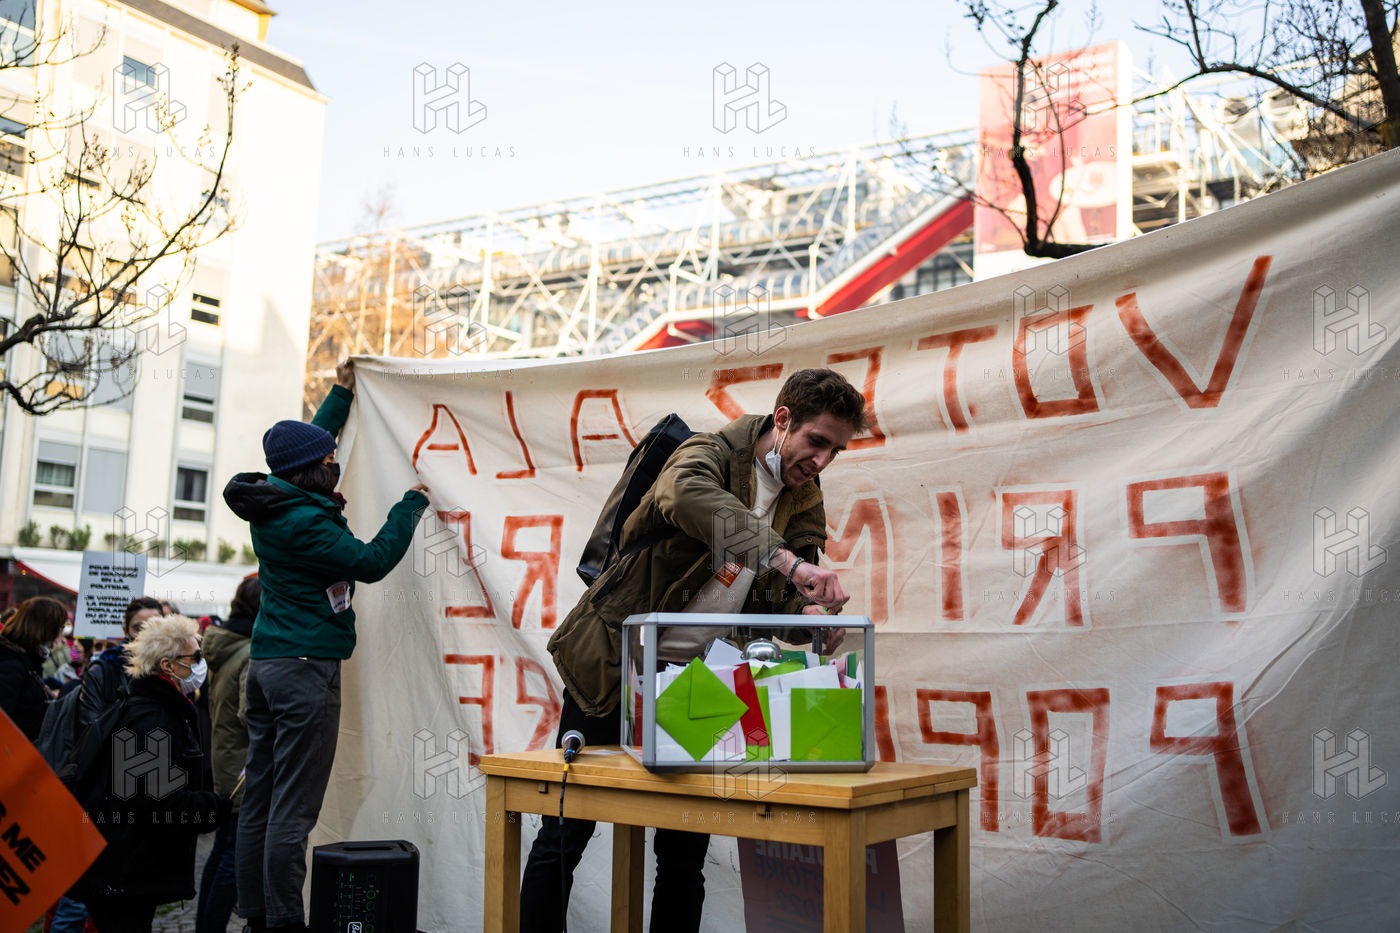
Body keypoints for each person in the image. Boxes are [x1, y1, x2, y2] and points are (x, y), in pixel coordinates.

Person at [521, 367, 866, 932]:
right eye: (817, 441)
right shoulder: (707, 453)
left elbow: (775, 596)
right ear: (783, 419)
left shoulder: (804, 496)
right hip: (616, 659)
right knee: (566, 830)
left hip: (700, 678)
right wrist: (788, 562)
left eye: (836, 450)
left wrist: (807, 618)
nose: (822, 460)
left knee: (683, 848)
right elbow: (684, 495)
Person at [223, 359, 430, 933]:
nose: (335, 463)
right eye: (330, 460)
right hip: (304, 673)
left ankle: (257, 912)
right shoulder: (305, 523)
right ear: (310, 471)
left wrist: (340, 394)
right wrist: (409, 506)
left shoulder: (275, 498)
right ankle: (286, 920)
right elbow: (370, 561)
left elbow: (307, 443)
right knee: (293, 809)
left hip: (268, 666)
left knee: (262, 800)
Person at [71, 614, 232, 932]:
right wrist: (215, 807)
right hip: (124, 871)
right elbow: (156, 802)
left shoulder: (156, 708)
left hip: (127, 869)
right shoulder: (152, 717)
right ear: (168, 665)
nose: (201, 664)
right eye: (194, 657)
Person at [196, 575, 259, 933]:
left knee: (222, 852)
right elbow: (253, 716)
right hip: (244, 770)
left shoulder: (227, 647)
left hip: (228, 765)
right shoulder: (249, 651)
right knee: (233, 858)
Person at [79, 596, 166, 731]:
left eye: (154, 628)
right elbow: (90, 730)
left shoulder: (173, 669)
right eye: (139, 628)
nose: (146, 635)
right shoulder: (101, 673)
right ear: (126, 631)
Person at [0, 597, 67, 739]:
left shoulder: (26, 660)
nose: (60, 634)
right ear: (46, 629)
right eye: (59, 627)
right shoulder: (12, 665)